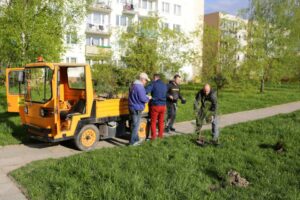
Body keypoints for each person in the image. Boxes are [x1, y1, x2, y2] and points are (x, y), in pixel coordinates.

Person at [128, 73, 151, 146]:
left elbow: (136, 96)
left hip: (132, 106)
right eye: (146, 80)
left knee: (134, 124)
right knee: (136, 126)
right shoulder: (140, 87)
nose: (146, 82)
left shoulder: (133, 85)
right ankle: (132, 143)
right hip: (137, 108)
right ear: (142, 79)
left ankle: (136, 139)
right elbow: (143, 99)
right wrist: (148, 98)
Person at [146, 74, 167, 140]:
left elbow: (146, 91)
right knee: (161, 121)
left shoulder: (153, 84)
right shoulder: (164, 85)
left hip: (155, 105)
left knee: (153, 121)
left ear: (155, 78)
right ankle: (160, 136)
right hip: (163, 105)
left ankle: (153, 137)